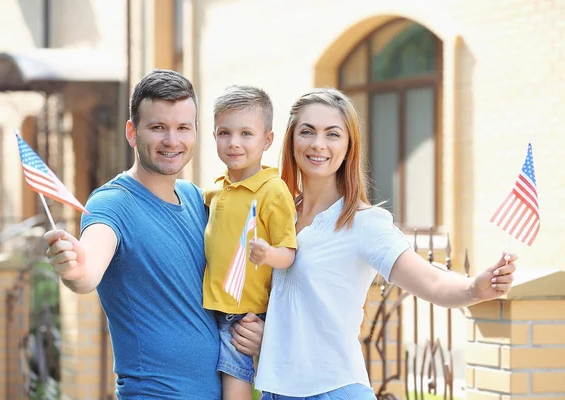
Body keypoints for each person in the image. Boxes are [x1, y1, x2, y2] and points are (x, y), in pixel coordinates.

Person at [254, 88, 517, 400]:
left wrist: (474, 288)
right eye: (307, 131)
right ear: (291, 141)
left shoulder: (364, 223)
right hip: (274, 390)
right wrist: (262, 335)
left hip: (333, 391)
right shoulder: (276, 217)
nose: (318, 144)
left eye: (333, 134)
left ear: (349, 146)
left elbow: (431, 281)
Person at [43, 69, 265, 400]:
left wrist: (259, 333)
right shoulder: (112, 203)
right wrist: (75, 269)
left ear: (195, 132)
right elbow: (87, 271)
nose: (172, 141)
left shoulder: (196, 198)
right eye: (158, 127)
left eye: (182, 128)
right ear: (132, 132)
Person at [203, 85, 297, 400]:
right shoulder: (215, 191)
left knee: (235, 380)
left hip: (245, 312)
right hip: (211, 307)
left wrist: (269, 254)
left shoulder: (273, 190)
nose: (234, 143)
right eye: (224, 133)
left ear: (267, 140)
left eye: (246, 134)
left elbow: (289, 254)